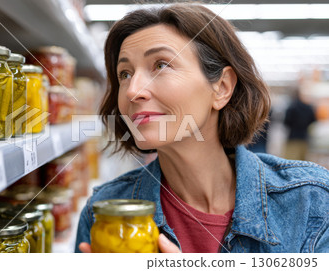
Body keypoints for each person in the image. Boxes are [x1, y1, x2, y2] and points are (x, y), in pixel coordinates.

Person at [75, 3, 329, 253]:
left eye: (161, 65)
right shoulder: (103, 214)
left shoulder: (311, 200)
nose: (132, 91)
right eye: (125, 73)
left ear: (222, 88)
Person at [283, 88, 316, 160]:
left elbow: (286, 122)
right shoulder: (309, 108)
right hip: (304, 136)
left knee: (291, 160)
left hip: (292, 136)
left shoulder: (291, 107)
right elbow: (313, 120)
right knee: (303, 160)